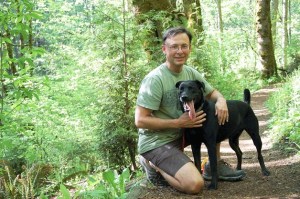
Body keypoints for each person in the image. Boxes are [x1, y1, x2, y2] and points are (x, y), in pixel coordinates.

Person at [135, 27, 245, 194]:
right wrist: (178, 122)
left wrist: (221, 100)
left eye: (184, 46)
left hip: (182, 135)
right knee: (195, 185)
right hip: (158, 141)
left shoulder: (189, 72)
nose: (180, 51)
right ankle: (155, 165)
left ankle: (213, 165)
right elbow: (140, 121)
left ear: (189, 48)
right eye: (174, 46)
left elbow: (211, 93)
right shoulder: (155, 79)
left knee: (213, 113)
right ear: (164, 49)